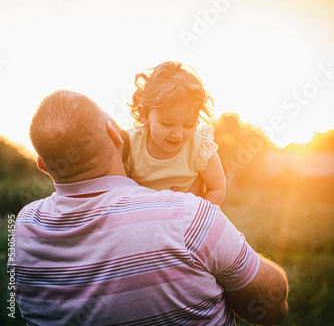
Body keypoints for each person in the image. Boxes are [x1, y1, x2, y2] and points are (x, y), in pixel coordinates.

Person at [12, 90, 288, 325]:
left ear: (43, 165)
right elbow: (271, 305)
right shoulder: (186, 214)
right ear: (115, 133)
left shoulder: (22, 227)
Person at [125, 61, 226, 206]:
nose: (178, 135)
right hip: (142, 216)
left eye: (189, 125)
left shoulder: (200, 148)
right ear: (144, 115)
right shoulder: (131, 144)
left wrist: (195, 214)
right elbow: (119, 190)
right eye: (167, 124)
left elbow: (217, 189)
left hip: (186, 219)